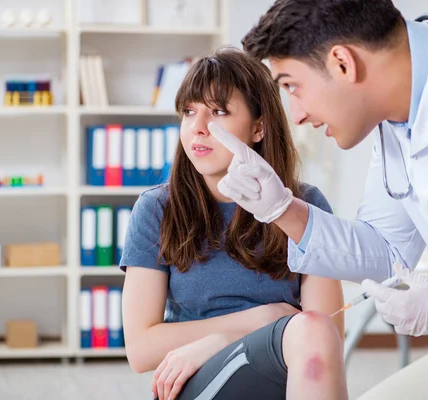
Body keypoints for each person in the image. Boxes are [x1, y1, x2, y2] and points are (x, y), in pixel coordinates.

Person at [208, 0, 428, 398]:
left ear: (343, 63)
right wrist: (281, 210)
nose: (296, 116)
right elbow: (386, 254)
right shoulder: (394, 124)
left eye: (292, 86)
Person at [119, 47, 348, 400]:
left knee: (313, 334)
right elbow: (141, 349)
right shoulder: (156, 209)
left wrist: (221, 339)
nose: (197, 128)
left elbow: (326, 336)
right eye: (189, 112)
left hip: (281, 376)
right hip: (198, 381)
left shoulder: (306, 206)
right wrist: (260, 320)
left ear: (258, 127)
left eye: (218, 112)